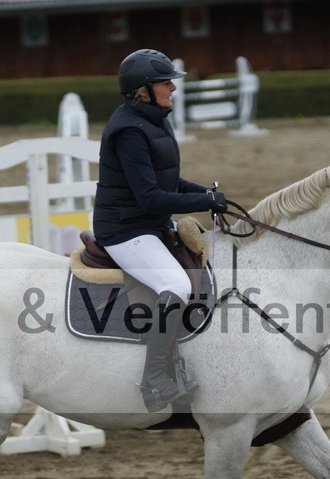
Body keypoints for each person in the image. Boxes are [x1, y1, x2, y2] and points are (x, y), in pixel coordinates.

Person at [93, 48, 228, 413]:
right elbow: (152, 198)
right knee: (178, 285)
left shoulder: (155, 119)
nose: (173, 87)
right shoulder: (128, 131)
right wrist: (204, 203)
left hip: (148, 226)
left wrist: (206, 194)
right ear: (143, 90)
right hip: (124, 231)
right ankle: (154, 380)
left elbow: (167, 180)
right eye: (164, 82)